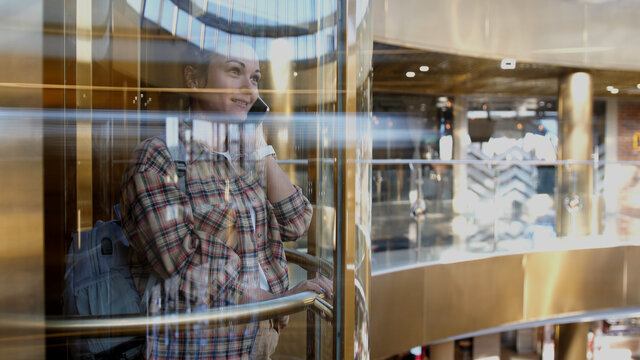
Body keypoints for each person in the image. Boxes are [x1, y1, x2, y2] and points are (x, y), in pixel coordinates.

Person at [119, 41, 332, 359]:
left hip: (259, 341)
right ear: (194, 79)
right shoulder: (158, 158)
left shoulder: (245, 157)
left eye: (255, 78)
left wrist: (259, 145)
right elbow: (184, 266)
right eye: (235, 71)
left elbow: (297, 220)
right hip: (201, 346)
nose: (249, 90)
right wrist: (273, 300)